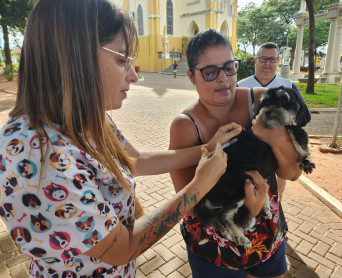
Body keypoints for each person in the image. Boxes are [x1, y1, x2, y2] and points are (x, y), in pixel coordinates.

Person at [0, 2, 242, 277]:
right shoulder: (34, 156)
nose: (134, 75)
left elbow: (134, 160)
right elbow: (122, 248)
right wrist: (197, 188)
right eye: (121, 60)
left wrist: (207, 148)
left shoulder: (87, 116)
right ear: (75, 56)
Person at [169, 29, 302, 278]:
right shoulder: (186, 125)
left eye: (229, 67)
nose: (223, 78)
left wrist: (275, 138)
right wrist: (246, 213)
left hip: (266, 233)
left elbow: (292, 172)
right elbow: (188, 205)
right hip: (213, 246)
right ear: (191, 76)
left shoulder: (261, 102)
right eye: (210, 72)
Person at [238, 42, 303, 201]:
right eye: (263, 59)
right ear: (255, 61)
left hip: (278, 152)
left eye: (272, 59)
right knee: (245, 193)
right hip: (248, 153)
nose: (267, 63)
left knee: (276, 194)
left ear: (278, 62)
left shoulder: (288, 86)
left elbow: (299, 115)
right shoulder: (240, 87)